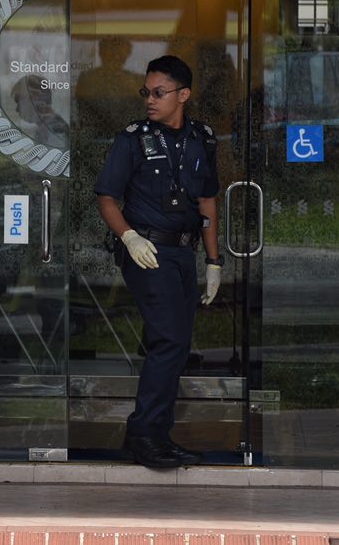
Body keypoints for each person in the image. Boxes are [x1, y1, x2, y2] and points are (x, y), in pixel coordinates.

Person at [94, 55, 221, 470]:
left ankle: (157, 434)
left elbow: (207, 201)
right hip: (147, 251)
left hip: (183, 252)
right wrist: (128, 236)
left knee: (178, 345)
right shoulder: (132, 138)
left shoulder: (202, 138)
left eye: (159, 92)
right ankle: (144, 435)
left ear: (183, 95)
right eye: (146, 92)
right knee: (168, 340)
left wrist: (214, 260)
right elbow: (107, 197)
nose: (150, 100)